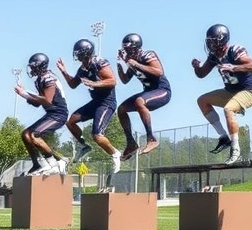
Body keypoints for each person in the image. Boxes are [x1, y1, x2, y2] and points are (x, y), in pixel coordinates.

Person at [192, 24, 252, 165]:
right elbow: (202, 74)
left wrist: (234, 66)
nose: (210, 44)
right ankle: (224, 137)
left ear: (222, 40)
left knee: (228, 109)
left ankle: (235, 149)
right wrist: (196, 67)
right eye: (209, 41)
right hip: (230, 92)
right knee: (202, 100)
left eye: (213, 41)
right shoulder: (214, 56)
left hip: (249, 91)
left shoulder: (234, 50)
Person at [56, 39, 121, 176]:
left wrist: (94, 83)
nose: (77, 55)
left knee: (97, 135)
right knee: (71, 121)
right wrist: (64, 71)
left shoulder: (99, 63)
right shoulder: (83, 68)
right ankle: (84, 146)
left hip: (106, 103)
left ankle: (115, 153)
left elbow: (112, 81)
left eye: (79, 53)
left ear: (86, 52)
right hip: (96, 102)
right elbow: (73, 84)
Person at [116, 33, 171, 161]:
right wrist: (119, 64)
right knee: (121, 109)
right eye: (125, 50)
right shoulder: (132, 62)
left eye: (129, 49)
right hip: (148, 92)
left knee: (139, 101)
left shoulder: (148, 55)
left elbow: (159, 71)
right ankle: (131, 143)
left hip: (162, 91)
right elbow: (124, 80)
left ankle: (151, 138)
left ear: (136, 48)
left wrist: (136, 64)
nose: (127, 52)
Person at [14, 53, 69, 175]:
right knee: (26, 134)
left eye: (34, 66)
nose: (32, 69)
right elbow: (37, 103)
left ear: (41, 66)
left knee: (35, 135)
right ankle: (37, 164)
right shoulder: (39, 80)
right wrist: (24, 95)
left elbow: (47, 100)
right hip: (51, 113)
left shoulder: (49, 78)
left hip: (59, 114)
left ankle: (56, 163)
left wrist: (24, 94)